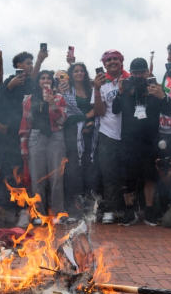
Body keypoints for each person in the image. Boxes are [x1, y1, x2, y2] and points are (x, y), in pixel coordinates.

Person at [112, 58, 171, 226]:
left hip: (150, 140)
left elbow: (168, 111)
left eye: (142, 72)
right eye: (135, 72)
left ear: (148, 72)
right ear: (130, 73)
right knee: (128, 177)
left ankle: (149, 210)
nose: (138, 75)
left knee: (150, 176)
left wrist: (162, 96)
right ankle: (129, 211)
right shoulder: (126, 87)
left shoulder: (155, 88)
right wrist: (119, 92)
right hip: (129, 140)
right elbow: (115, 109)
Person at [19, 70, 69, 224]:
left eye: (48, 78)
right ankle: (38, 214)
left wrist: (52, 103)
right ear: (38, 81)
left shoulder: (59, 98)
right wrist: (24, 146)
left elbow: (61, 120)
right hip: (36, 137)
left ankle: (57, 214)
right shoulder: (29, 99)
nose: (46, 81)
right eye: (43, 78)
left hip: (56, 137)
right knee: (37, 179)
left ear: (52, 82)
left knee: (56, 177)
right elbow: (25, 122)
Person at [93, 50, 130, 224]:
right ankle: (109, 209)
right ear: (104, 64)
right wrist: (97, 89)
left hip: (128, 134)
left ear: (122, 62)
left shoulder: (130, 80)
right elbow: (100, 112)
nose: (112, 62)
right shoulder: (102, 83)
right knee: (108, 174)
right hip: (107, 133)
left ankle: (125, 209)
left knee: (125, 174)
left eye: (116, 59)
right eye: (108, 60)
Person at [58, 63, 100, 218]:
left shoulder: (91, 89)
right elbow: (65, 117)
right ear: (71, 74)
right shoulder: (66, 91)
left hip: (91, 133)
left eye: (82, 70)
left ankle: (90, 207)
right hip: (72, 135)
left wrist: (90, 120)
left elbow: (97, 109)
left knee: (90, 169)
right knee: (74, 170)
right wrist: (86, 117)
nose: (79, 73)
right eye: (76, 71)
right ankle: (74, 208)